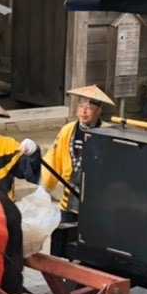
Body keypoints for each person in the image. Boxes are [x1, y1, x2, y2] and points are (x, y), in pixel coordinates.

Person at [42, 84, 114, 214]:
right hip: (68, 198)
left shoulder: (108, 133)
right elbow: (54, 157)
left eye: (90, 108)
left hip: (97, 200)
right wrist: (45, 184)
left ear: (99, 111)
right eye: (81, 106)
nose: (84, 111)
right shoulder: (68, 130)